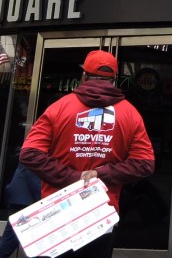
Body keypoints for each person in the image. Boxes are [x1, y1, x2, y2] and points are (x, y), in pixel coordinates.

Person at [20, 50, 155, 258]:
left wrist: (73, 178)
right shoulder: (130, 113)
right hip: (102, 213)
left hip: (59, 211)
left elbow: (29, 154)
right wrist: (99, 174)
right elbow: (145, 164)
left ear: (84, 76)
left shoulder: (59, 108)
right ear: (113, 79)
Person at [0, 164, 42, 258]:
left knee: (38, 247)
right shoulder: (36, 153)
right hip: (25, 204)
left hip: (24, 202)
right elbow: (36, 182)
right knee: (7, 246)